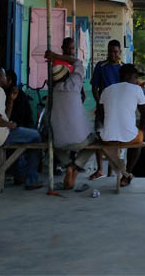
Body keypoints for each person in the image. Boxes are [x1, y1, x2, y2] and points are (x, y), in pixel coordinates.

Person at [0, 66, 42, 190]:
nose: (6, 78)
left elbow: (4, 116)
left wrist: (11, 101)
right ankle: (31, 179)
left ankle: (20, 174)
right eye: (5, 76)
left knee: (24, 138)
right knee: (36, 136)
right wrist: (8, 125)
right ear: (0, 78)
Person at [95, 64, 145, 187]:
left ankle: (124, 173)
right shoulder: (137, 89)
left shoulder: (107, 89)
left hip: (107, 139)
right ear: (128, 76)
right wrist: (140, 129)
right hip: (128, 139)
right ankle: (127, 174)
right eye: (135, 77)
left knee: (129, 135)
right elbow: (144, 115)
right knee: (138, 142)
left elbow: (100, 114)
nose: (137, 81)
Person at [47, 58, 97, 190]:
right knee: (95, 142)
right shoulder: (75, 84)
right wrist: (56, 55)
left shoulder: (53, 92)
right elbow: (78, 63)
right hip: (79, 140)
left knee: (55, 146)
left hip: (60, 141)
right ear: (67, 75)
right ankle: (74, 165)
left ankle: (67, 164)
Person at [89, 39, 123, 180]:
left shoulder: (124, 68)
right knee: (100, 137)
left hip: (118, 110)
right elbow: (94, 87)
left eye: (115, 52)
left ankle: (111, 171)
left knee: (115, 140)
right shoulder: (101, 66)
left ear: (120, 52)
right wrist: (99, 103)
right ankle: (100, 169)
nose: (113, 54)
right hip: (103, 109)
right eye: (110, 51)